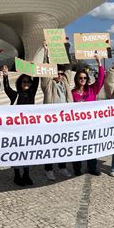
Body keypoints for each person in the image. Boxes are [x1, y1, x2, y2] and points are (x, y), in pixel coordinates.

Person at [2, 65, 39, 186]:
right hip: (17, 130)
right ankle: (17, 175)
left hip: (29, 129)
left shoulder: (32, 94)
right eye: (24, 81)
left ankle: (26, 174)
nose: (26, 83)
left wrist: (34, 69)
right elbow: (7, 88)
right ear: (20, 83)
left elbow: (37, 79)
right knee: (17, 152)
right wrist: (5, 75)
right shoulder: (15, 95)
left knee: (28, 152)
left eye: (28, 81)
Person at [41, 43, 73, 181]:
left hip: (65, 119)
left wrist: (66, 49)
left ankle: (62, 167)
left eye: (61, 73)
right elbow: (45, 73)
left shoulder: (65, 82)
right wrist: (46, 53)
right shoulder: (48, 85)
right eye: (57, 73)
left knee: (63, 144)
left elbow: (68, 69)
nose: (59, 75)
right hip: (52, 120)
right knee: (50, 145)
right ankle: (48, 169)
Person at [71, 54, 105, 176]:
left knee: (91, 147)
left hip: (91, 124)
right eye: (80, 78)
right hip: (77, 126)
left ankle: (92, 167)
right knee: (77, 147)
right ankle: (77, 168)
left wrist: (99, 63)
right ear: (76, 79)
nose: (83, 80)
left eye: (85, 78)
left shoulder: (92, 90)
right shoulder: (72, 93)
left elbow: (101, 79)